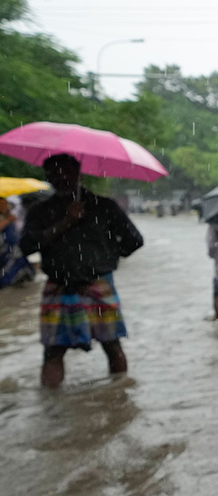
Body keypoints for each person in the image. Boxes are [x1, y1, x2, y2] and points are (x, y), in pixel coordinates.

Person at [20, 154, 144, 387]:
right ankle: (52, 409)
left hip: (97, 284)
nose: (61, 177)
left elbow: (134, 241)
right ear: (47, 176)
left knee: (112, 345)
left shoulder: (104, 206)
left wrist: (105, 258)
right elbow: (26, 247)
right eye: (55, 173)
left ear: (79, 173)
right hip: (58, 286)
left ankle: (119, 397)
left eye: (67, 171)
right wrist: (65, 222)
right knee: (53, 352)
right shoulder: (40, 211)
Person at [0, 197, 35, 288]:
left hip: (13, 247)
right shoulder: (5, 218)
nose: (5, 206)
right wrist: (7, 221)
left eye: (5, 203)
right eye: (2, 204)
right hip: (4, 248)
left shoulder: (8, 214)